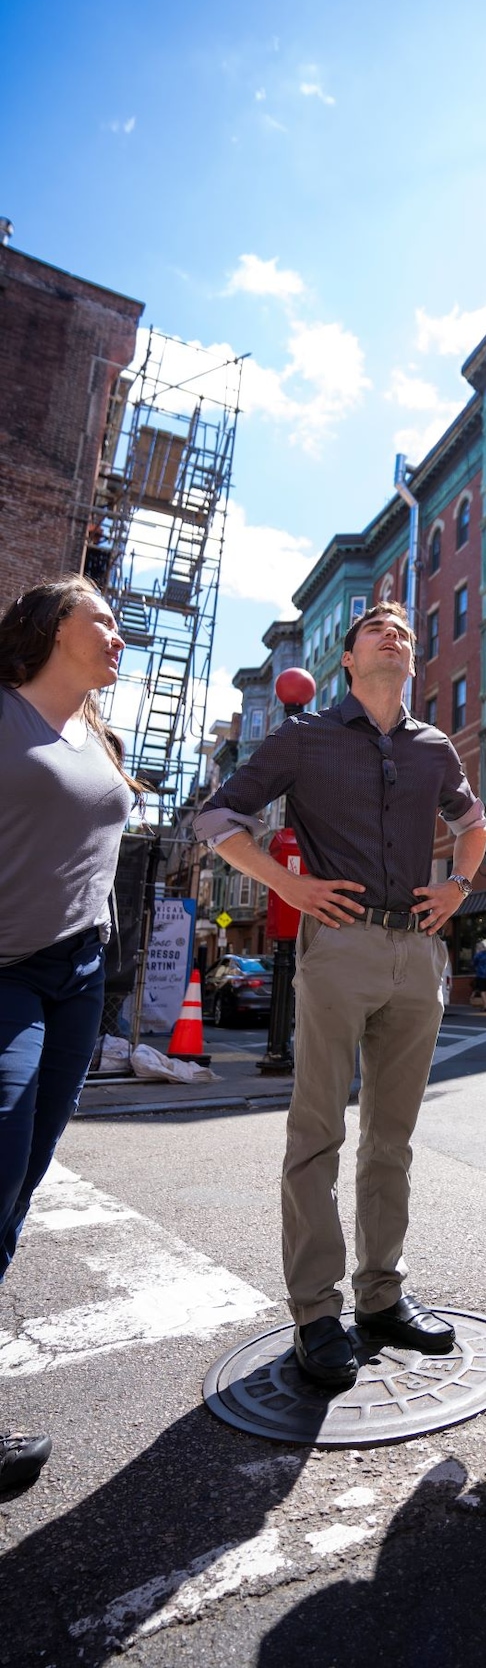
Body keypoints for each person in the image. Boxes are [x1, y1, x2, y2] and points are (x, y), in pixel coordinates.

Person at [195, 602, 486, 1389]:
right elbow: (218, 815)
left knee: (391, 1138)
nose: (394, 637)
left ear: (412, 664)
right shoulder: (304, 737)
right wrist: (287, 883)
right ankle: (317, 1313)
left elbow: (474, 823)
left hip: (417, 952)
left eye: (405, 633)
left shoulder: (433, 748)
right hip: (340, 943)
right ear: (349, 664)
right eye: (377, 632)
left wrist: (457, 888)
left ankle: (382, 1296)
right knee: (317, 1132)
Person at [0, 576, 137, 1494]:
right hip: (3, 975)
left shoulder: (100, 734)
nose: (119, 638)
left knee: (21, 1184)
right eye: (105, 622)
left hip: (78, 978)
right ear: (54, 626)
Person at [470, 940, 486, 1011]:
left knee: (482, 990)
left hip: (481, 974)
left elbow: (473, 963)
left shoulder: (478, 955)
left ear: (478, 948)